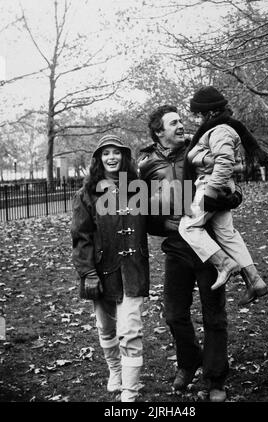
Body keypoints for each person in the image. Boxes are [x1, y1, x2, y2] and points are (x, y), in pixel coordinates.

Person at [138, 105, 243, 402]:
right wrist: (163, 222)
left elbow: (233, 186)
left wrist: (227, 199)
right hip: (176, 248)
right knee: (173, 314)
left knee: (214, 316)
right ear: (159, 131)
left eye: (182, 120)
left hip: (208, 247)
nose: (182, 125)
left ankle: (215, 378)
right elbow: (142, 207)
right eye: (174, 123)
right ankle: (189, 361)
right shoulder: (146, 165)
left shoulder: (199, 150)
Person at [71, 134, 150, 402]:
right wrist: (88, 273)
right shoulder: (86, 194)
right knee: (106, 327)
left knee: (130, 330)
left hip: (133, 269)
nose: (112, 157)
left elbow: (162, 214)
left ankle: (130, 392)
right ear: (99, 159)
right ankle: (115, 371)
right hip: (102, 271)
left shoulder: (138, 188)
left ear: (124, 157)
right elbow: (81, 237)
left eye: (117, 152)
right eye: (106, 153)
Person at [179, 86, 268, 306]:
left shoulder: (220, 130)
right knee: (227, 234)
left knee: (188, 227)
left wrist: (210, 192)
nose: (198, 118)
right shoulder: (218, 129)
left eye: (199, 114)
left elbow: (225, 162)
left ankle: (224, 264)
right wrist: (198, 153)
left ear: (209, 112)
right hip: (218, 185)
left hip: (211, 186)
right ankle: (255, 280)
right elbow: (215, 155)